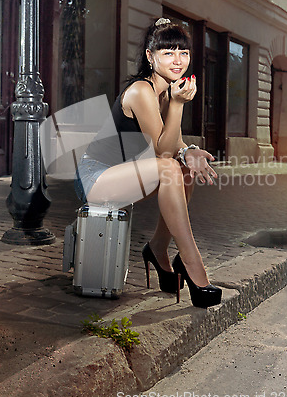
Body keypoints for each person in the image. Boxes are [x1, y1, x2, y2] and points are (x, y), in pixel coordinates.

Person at [74, 18, 222, 308]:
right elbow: (162, 152)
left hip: (125, 174)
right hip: (96, 177)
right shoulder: (142, 91)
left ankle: (157, 248)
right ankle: (192, 262)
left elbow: (174, 145)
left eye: (184, 52)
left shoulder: (166, 91)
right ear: (150, 56)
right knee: (169, 167)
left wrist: (190, 151)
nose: (178, 60)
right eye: (168, 52)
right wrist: (179, 106)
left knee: (184, 170)